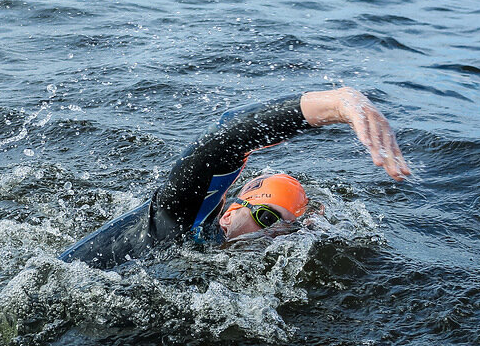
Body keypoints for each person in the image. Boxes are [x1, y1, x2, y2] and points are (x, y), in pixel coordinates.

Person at [58, 87, 408, 269]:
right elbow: (226, 137)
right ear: (228, 211)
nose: (272, 235)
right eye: (265, 217)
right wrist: (340, 103)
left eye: (287, 230)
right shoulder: (178, 221)